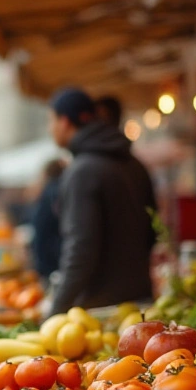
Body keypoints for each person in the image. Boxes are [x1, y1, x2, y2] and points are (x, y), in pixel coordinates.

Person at [47, 88, 157, 314]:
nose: (50, 129)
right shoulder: (135, 165)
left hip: (100, 311)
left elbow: (80, 250)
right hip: (141, 302)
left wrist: (54, 312)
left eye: (51, 120)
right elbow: (152, 231)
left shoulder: (82, 171)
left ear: (65, 121)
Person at [30, 159, 66, 283]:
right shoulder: (61, 189)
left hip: (52, 257)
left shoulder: (50, 193)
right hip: (58, 253)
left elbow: (42, 227)